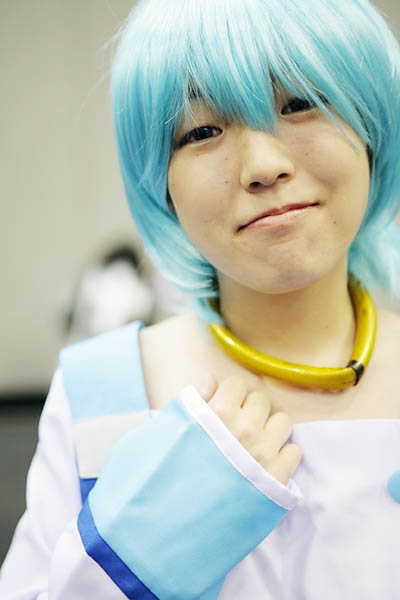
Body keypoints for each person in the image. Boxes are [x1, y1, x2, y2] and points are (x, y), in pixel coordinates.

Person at [1, 0, 400, 597]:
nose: (264, 165)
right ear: (160, 180)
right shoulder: (100, 390)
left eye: (300, 103)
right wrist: (134, 557)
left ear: (372, 127)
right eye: (203, 131)